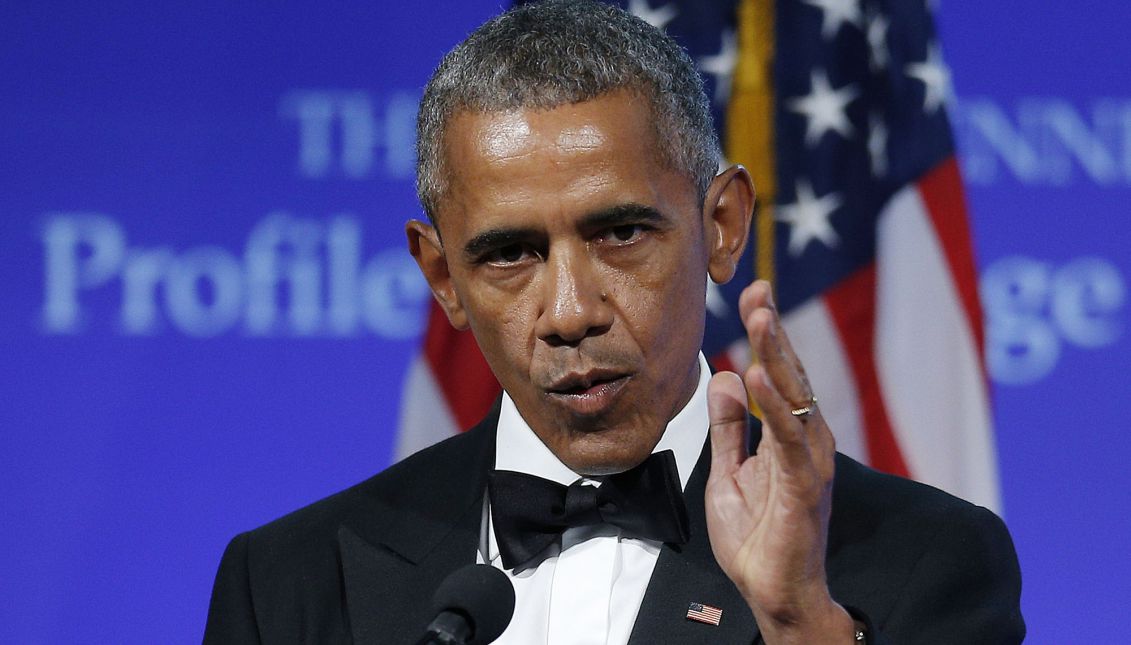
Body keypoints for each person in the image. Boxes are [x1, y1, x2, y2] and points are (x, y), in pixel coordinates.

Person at [204, 2, 1024, 643]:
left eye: (620, 233)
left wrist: (800, 624)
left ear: (724, 224)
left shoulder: (923, 560)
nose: (568, 312)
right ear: (442, 276)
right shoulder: (286, 581)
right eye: (509, 254)